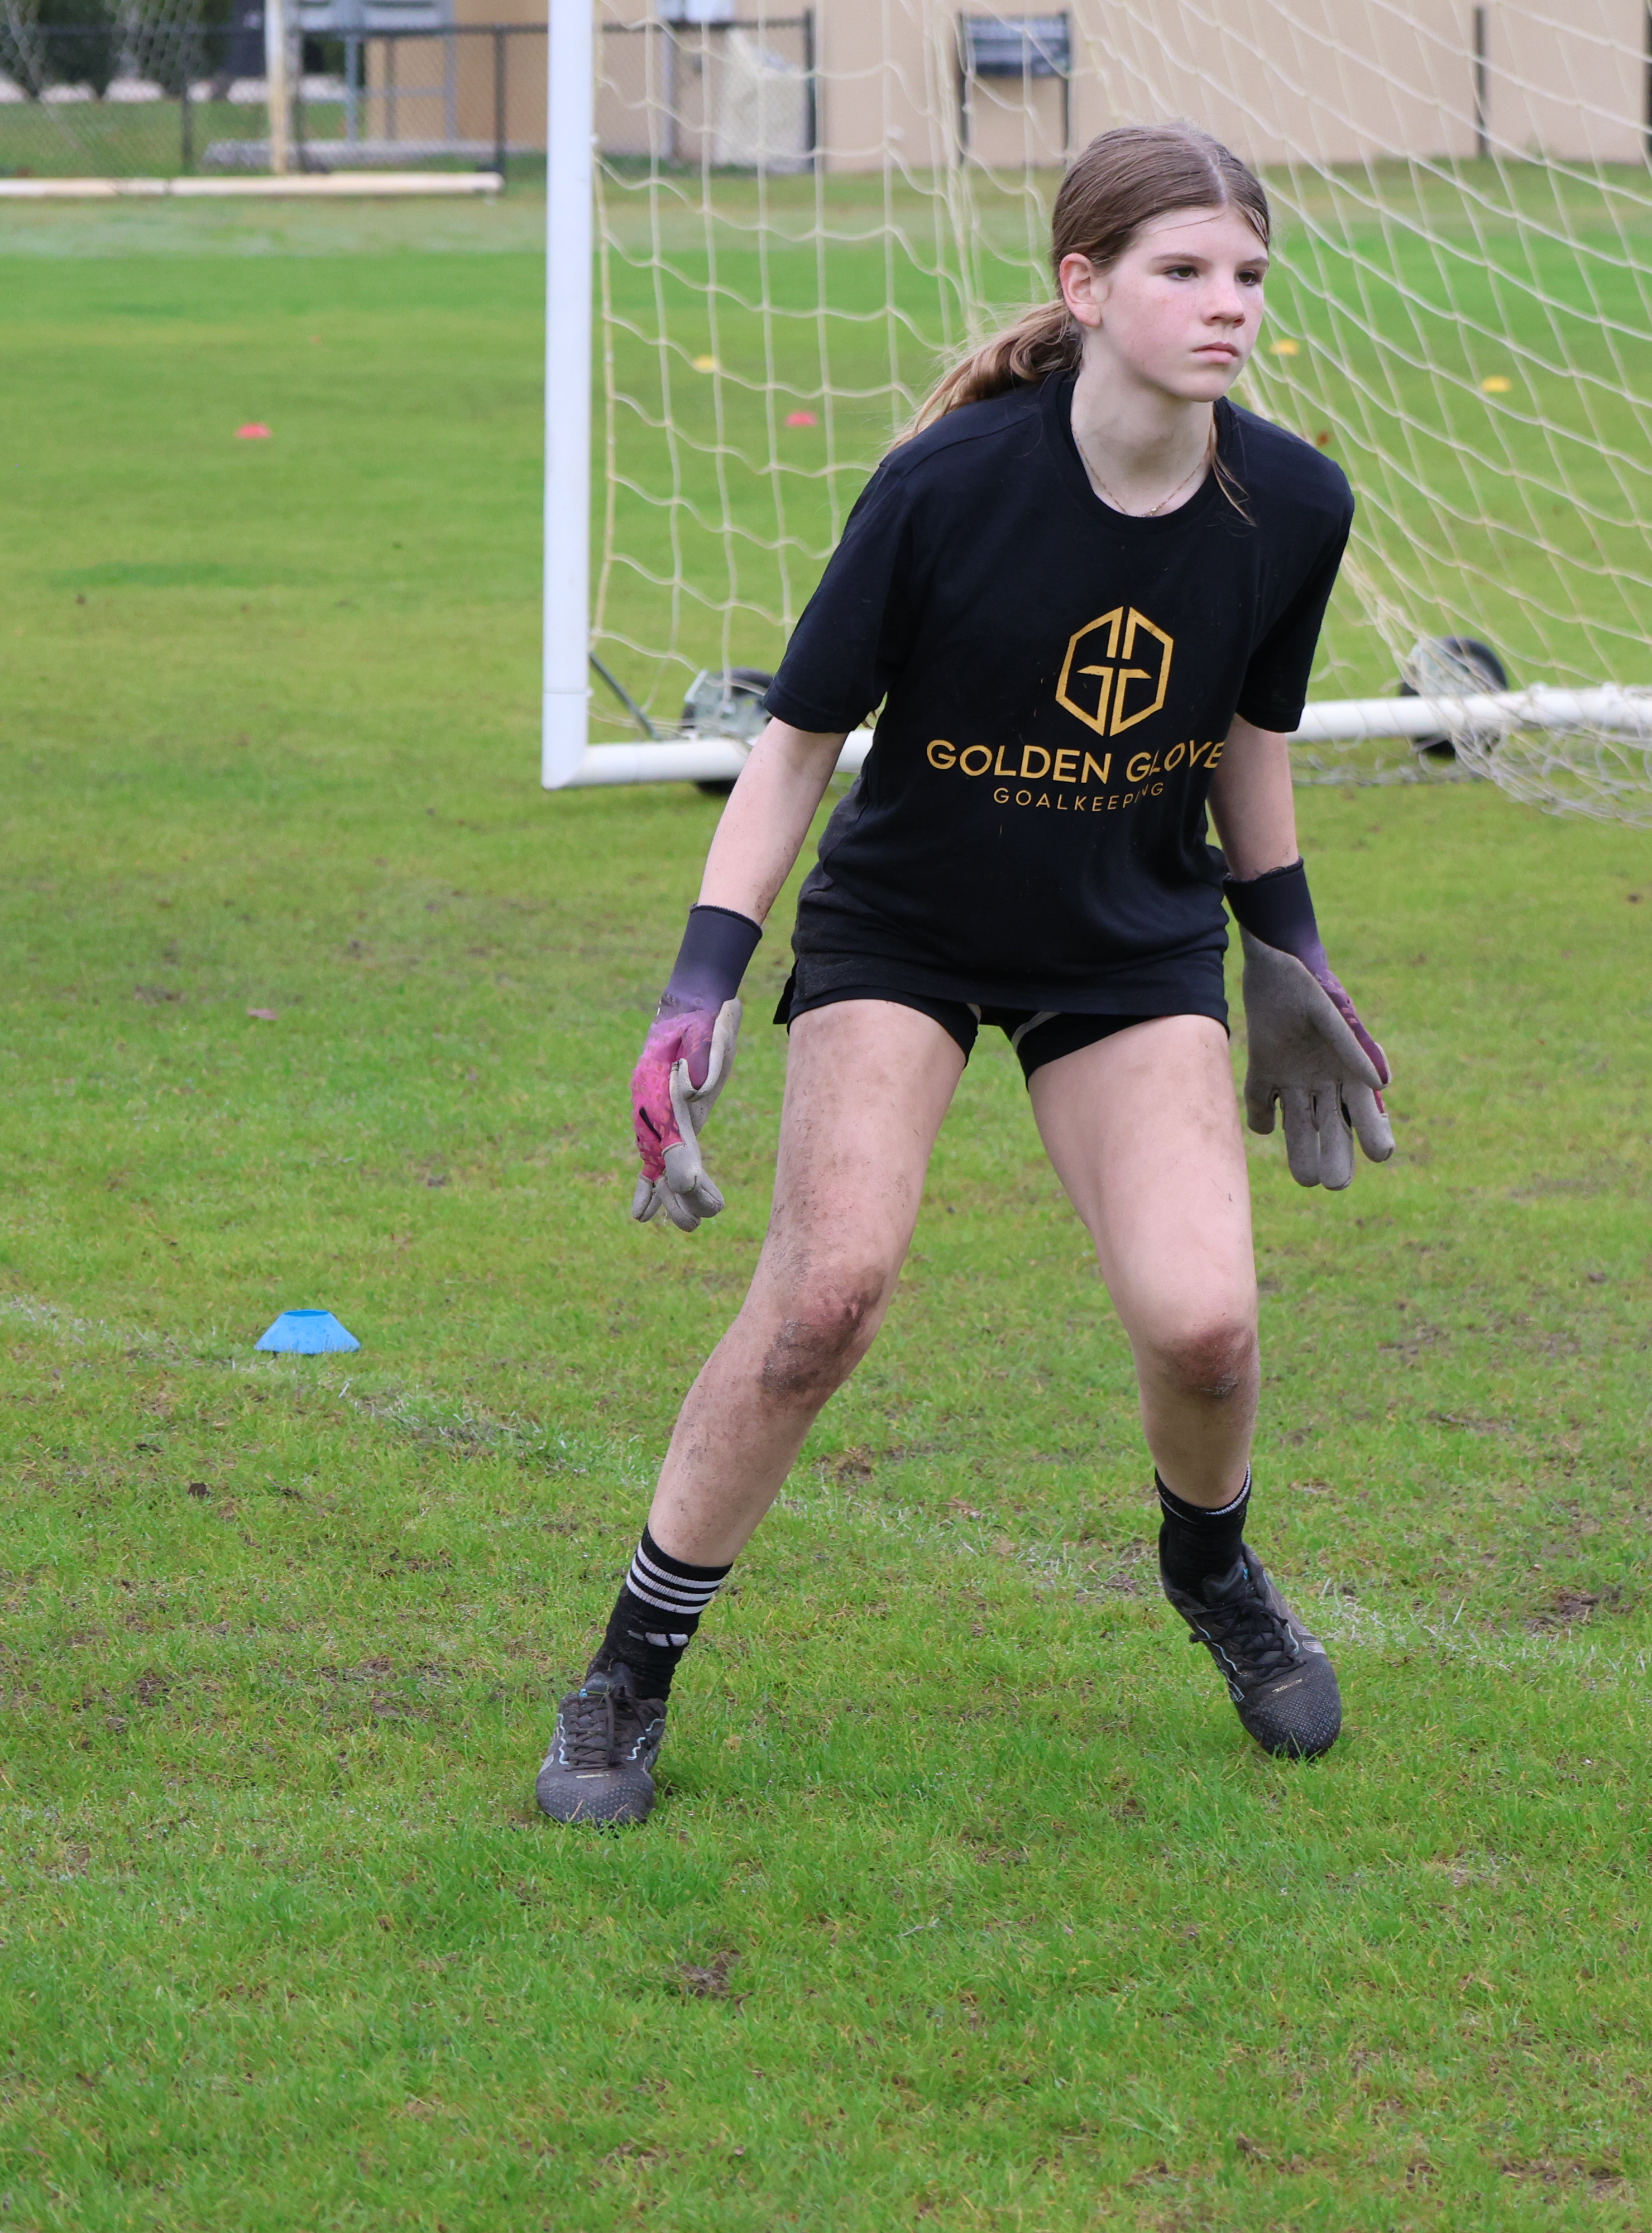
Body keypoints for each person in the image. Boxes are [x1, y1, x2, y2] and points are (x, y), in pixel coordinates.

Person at [539, 124, 1399, 1828]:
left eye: (1248, 274)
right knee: (822, 1301)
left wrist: (1286, 947)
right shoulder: (947, 486)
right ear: (1084, 287)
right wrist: (700, 985)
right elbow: (796, 748)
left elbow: (1251, 739)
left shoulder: (1294, 504)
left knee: (1208, 1328)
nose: (1227, 304)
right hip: (909, 931)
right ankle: (627, 1671)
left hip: (1129, 941)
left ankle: (1210, 1568)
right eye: (1182, 271)